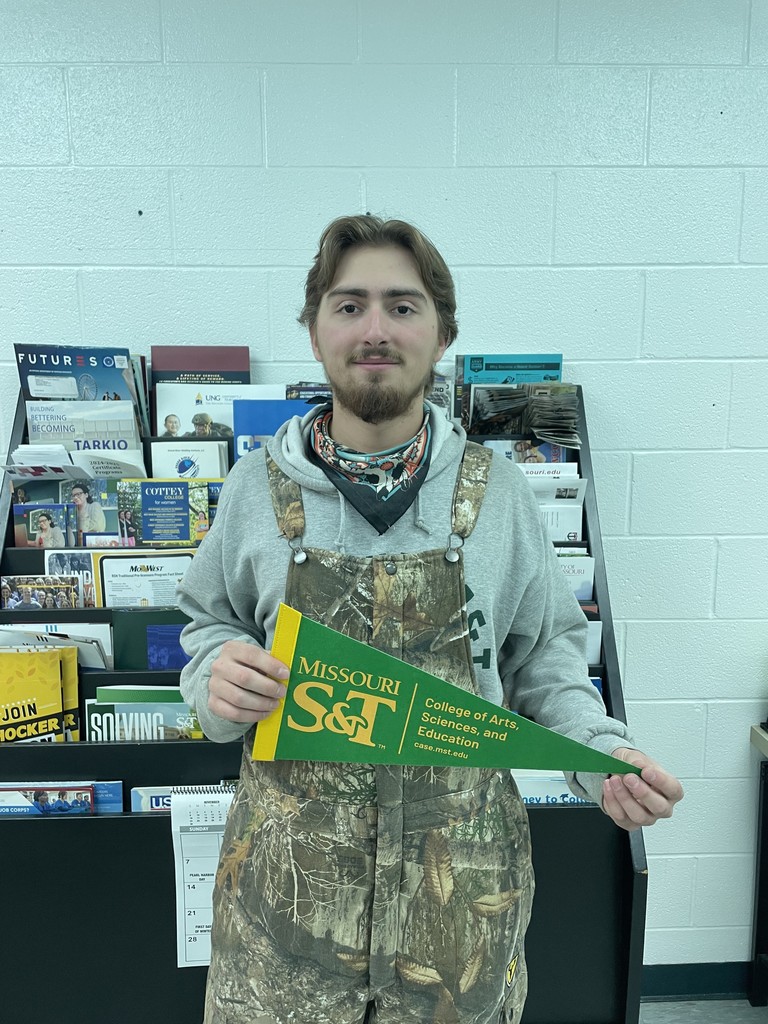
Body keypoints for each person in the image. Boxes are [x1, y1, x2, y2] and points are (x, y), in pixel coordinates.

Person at [176, 215, 683, 1024]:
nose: (375, 330)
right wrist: (215, 676)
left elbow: (545, 659)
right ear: (314, 331)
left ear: (442, 333)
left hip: (459, 910)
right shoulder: (251, 492)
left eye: (402, 306)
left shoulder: (500, 497)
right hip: (287, 910)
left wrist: (600, 753)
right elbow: (208, 625)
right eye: (349, 306)